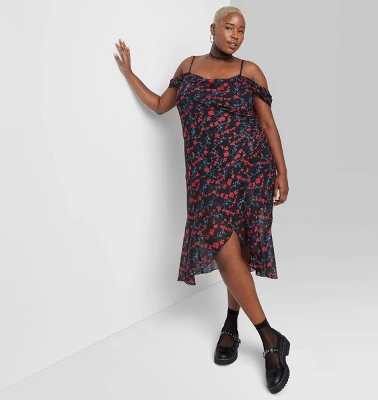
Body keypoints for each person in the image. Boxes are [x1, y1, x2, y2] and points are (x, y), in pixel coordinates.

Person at [114, 5, 290, 394]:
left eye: (241, 31)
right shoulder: (189, 67)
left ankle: (234, 324)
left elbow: (267, 123)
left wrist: (281, 171)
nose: (235, 36)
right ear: (213, 28)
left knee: (236, 253)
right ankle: (270, 336)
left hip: (250, 172)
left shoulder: (249, 71)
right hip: (206, 179)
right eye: (230, 28)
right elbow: (161, 105)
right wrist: (129, 73)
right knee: (225, 251)